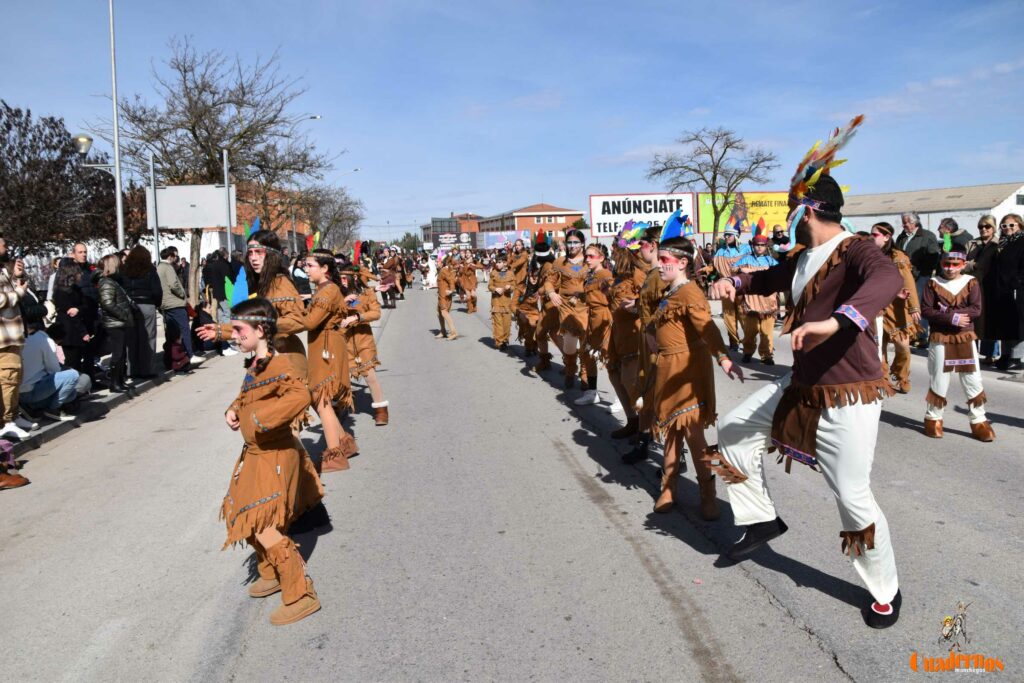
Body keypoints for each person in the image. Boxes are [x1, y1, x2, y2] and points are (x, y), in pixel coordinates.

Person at [707, 116, 905, 628]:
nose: (790, 217)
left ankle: (885, 587)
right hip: (802, 384)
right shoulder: (802, 255)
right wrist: (741, 280)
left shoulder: (858, 249)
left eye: (795, 208)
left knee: (852, 495)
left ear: (809, 209)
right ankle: (761, 519)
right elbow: (772, 273)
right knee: (732, 431)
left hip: (849, 393)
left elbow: (885, 279)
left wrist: (836, 322)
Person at [221, 297, 323, 626]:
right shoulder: (256, 364)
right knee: (245, 515)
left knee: (263, 523)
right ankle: (270, 571)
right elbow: (246, 393)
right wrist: (235, 408)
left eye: (239, 330)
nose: (234, 335)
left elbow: (300, 396)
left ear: (261, 330)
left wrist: (263, 419)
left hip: (276, 454)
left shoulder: (280, 365)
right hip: (256, 453)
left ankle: (300, 593)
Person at [653, 231, 741, 518]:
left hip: (688, 371)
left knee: (694, 436)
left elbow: (707, 328)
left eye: (664, 260)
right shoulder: (671, 291)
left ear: (681, 263)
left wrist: (724, 358)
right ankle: (669, 487)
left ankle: (711, 489)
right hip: (668, 369)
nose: (659, 265)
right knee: (671, 433)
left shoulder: (690, 292)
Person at [199, 231, 309, 380]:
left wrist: (266, 326)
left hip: (287, 359)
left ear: (272, 255)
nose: (253, 258)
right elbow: (251, 324)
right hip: (267, 358)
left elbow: (298, 320)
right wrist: (220, 330)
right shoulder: (260, 285)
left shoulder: (281, 282)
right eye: (250, 253)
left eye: (259, 252)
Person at [920, 242, 995, 442]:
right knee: (939, 379)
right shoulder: (932, 283)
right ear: (941, 263)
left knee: (972, 379)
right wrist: (951, 318)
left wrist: (951, 313)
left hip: (964, 336)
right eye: (947, 264)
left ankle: (979, 420)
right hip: (940, 337)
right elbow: (927, 310)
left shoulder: (971, 282)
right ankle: (933, 418)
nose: (950, 268)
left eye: (955, 264)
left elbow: (976, 309)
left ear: (962, 264)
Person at [302, 249, 358, 472]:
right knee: (319, 398)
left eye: (310, 266)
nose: (306, 270)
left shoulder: (328, 291)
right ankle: (344, 442)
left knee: (322, 397)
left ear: (324, 268)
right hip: (322, 345)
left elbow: (310, 322)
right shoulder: (325, 289)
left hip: (327, 347)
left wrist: (289, 312)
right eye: (306, 265)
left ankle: (334, 456)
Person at [606, 223, 647, 445]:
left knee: (631, 381)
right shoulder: (619, 274)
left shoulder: (638, 273)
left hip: (633, 334)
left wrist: (636, 306)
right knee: (614, 375)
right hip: (618, 333)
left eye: (614, 245)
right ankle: (632, 420)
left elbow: (651, 300)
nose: (611, 249)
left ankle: (645, 426)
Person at [871, 222, 921, 393]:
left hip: (897, 308)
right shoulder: (869, 255)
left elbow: (909, 283)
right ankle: (883, 378)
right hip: (876, 307)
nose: (872, 237)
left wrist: (914, 308)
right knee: (879, 348)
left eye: (875, 235)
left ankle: (901, 375)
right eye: (871, 234)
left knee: (903, 347)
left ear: (887, 237)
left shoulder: (898, 257)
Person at [340, 265, 389, 426]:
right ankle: (340, 407)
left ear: (353, 278)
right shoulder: (336, 294)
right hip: (343, 340)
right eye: (339, 278)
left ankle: (381, 410)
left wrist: (357, 317)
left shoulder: (366, 293)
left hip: (363, 338)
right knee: (341, 376)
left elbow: (376, 313)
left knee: (369, 374)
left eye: (344, 278)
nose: (341, 281)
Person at [544, 228, 589, 390]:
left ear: (582, 244)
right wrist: (551, 293)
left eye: (575, 242)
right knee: (569, 343)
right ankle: (570, 370)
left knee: (586, 342)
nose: (572, 245)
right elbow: (549, 281)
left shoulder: (589, 261)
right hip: (566, 307)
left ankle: (584, 374)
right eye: (569, 242)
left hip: (586, 306)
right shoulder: (559, 262)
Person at [19, 313, 87, 421]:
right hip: (32, 391)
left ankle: (33, 407)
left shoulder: (18, 339)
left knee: (71, 393)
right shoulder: (44, 340)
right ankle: (52, 409)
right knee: (73, 376)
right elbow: (54, 369)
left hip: (19, 392)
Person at [0, 237, 36, 441]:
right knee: (8, 379)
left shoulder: (3, 270)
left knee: (14, 378)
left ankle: (12, 416)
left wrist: (16, 278)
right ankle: (6, 422)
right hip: (3, 337)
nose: (7, 249)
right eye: (4, 245)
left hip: (12, 335)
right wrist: (18, 293)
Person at [576, 243, 614, 405]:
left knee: (609, 357)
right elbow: (594, 295)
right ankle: (592, 392)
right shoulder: (592, 275)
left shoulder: (604, 274)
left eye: (591, 256)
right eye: (586, 256)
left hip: (603, 318)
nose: (587, 259)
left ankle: (622, 398)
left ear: (602, 258)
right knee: (588, 355)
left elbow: (611, 295)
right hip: (592, 317)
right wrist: (581, 295)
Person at [895, 211, 940, 346]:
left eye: (906, 222)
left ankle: (921, 335)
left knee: (918, 303)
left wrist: (921, 272)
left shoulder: (927, 236)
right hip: (903, 276)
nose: (904, 225)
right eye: (903, 222)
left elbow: (933, 257)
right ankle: (909, 332)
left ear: (915, 222)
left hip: (921, 275)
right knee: (905, 303)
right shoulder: (902, 237)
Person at [733, 234, 779, 364]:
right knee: (750, 331)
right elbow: (733, 268)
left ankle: (767, 356)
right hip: (751, 301)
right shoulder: (745, 259)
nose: (759, 247)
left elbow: (779, 275)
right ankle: (748, 352)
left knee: (766, 332)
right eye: (757, 245)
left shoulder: (771, 261)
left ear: (766, 246)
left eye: (762, 245)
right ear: (753, 246)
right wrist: (740, 269)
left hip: (768, 301)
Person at [120, 246, 162, 378]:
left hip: (130, 305)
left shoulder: (125, 270)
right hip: (147, 304)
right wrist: (156, 303)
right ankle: (148, 369)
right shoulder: (150, 270)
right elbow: (156, 290)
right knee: (148, 338)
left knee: (132, 339)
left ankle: (132, 370)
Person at [96, 254, 136, 393]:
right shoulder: (106, 282)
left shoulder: (112, 281)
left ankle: (119, 381)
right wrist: (124, 315)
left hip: (119, 322)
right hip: (115, 323)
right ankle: (114, 383)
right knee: (117, 354)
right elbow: (107, 303)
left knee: (121, 354)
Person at [157, 247, 202, 367]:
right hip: (175, 303)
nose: (176, 258)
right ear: (170, 256)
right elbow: (173, 284)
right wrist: (182, 294)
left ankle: (172, 358)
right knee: (184, 329)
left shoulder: (159, 268)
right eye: (175, 256)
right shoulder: (168, 268)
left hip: (166, 304)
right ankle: (190, 354)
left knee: (171, 333)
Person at [965, 215, 1000, 363]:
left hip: (992, 285)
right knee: (974, 319)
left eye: (987, 226)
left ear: (994, 228)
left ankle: (989, 354)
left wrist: (973, 264)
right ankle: (971, 351)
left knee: (990, 320)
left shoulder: (999, 243)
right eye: (981, 227)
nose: (984, 229)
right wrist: (973, 265)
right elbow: (962, 263)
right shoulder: (972, 243)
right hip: (973, 284)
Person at [51, 259, 93, 377]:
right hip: (69, 331)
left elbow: (85, 306)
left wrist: (78, 309)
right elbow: (70, 314)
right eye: (78, 272)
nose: (81, 274)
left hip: (77, 329)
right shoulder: (61, 292)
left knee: (79, 360)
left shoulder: (76, 289)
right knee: (72, 361)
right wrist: (83, 332)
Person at [993, 214, 1024, 371]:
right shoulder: (1002, 243)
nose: (1008, 229)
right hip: (1002, 288)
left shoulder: (1021, 241)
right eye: (1004, 226)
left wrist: (1017, 282)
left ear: (1019, 225)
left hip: (1017, 289)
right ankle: (1005, 355)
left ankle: (1016, 357)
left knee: (1018, 323)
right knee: (1005, 323)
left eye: (1012, 225)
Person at [711, 229, 747, 350]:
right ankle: (733, 342)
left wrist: (740, 269)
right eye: (725, 235)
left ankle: (748, 342)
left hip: (741, 288)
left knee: (744, 316)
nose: (726, 237)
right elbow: (713, 267)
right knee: (728, 316)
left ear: (736, 236)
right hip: (725, 288)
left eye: (729, 235)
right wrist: (708, 270)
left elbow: (752, 265)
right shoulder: (720, 251)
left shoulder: (746, 249)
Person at [531, 234, 561, 373]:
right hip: (548, 304)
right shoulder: (545, 265)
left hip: (551, 305)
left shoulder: (548, 266)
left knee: (540, 333)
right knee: (555, 334)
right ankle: (570, 361)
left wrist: (540, 291)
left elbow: (552, 284)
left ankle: (546, 362)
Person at [487, 251, 516, 351]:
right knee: (498, 323)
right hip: (496, 302)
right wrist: (495, 289)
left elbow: (514, 286)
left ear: (505, 263)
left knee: (506, 323)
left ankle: (505, 340)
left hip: (507, 302)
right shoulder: (493, 273)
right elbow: (489, 286)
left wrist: (510, 287)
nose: (497, 264)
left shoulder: (511, 273)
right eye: (496, 262)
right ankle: (499, 342)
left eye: (499, 262)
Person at [436, 254, 458, 340]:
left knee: (444, 312)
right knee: (439, 312)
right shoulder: (447, 270)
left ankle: (453, 332)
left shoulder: (444, 270)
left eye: (438, 261)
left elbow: (451, 281)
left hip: (444, 294)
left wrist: (452, 290)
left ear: (442, 262)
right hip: (442, 294)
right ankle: (443, 331)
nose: (437, 263)